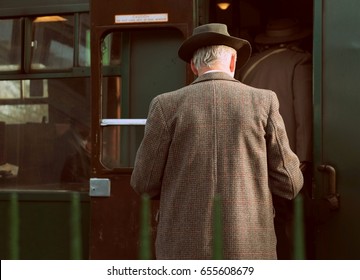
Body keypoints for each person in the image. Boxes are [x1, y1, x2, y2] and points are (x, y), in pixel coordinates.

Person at [130, 23, 303, 260]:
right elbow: (290, 183)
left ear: (193, 66)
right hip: (249, 246)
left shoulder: (165, 105)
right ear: (232, 62)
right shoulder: (263, 102)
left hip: (182, 247)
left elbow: (144, 182)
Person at [238, 18, 313, 259]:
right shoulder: (299, 61)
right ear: (297, 40)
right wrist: (304, 161)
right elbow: (303, 115)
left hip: (252, 161)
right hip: (286, 160)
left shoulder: (248, 65)